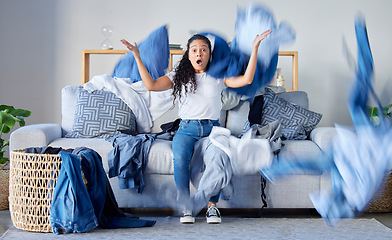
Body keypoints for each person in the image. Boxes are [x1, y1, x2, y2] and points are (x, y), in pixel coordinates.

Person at [121, 30, 271, 224]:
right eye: (194, 50)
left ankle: (211, 207)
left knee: (218, 158)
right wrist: (137, 56)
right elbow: (151, 85)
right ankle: (186, 207)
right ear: (188, 54)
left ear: (210, 54)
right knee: (180, 159)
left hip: (212, 131)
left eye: (203, 49)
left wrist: (255, 48)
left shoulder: (218, 75)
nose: (199, 53)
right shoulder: (178, 76)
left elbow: (246, 80)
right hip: (186, 130)